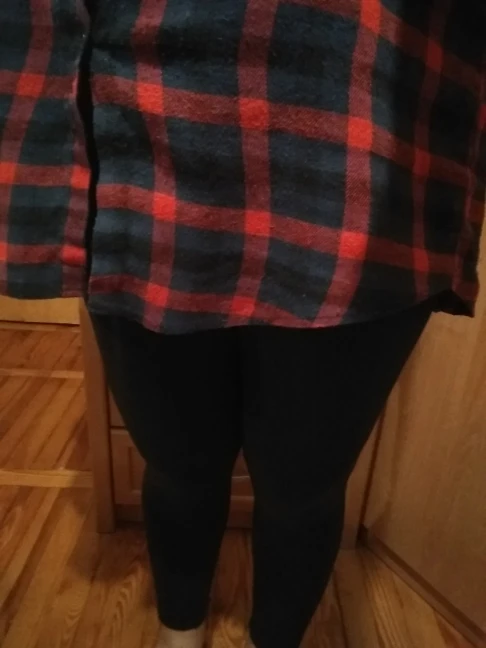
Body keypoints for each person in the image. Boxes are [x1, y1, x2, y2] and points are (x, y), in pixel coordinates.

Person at [1, 1, 485, 647]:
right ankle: (181, 634)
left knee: (302, 486)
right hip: (139, 156)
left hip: (364, 156)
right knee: (179, 467)